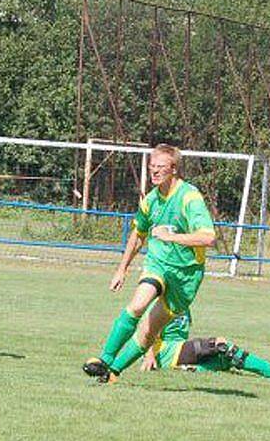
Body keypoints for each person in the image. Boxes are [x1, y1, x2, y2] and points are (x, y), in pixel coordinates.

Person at [83, 144, 217, 383]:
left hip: (186, 276)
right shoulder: (150, 201)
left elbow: (208, 237)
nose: (154, 172)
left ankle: (112, 373)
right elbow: (138, 234)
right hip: (158, 265)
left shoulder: (189, 197)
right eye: (151, 167)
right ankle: (105, 358)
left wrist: (172, 237)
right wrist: (121, 268)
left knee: (148, 331)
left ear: (174, 169)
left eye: (160, 167)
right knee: (137, 305)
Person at [140, 310, 270, 379]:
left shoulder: (184, 304)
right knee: (222, 346)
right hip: (165, 353)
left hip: (178, 350)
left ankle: (190, 368)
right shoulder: (163, 302)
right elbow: (147, 331)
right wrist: (149, 356)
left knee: (224, 360)